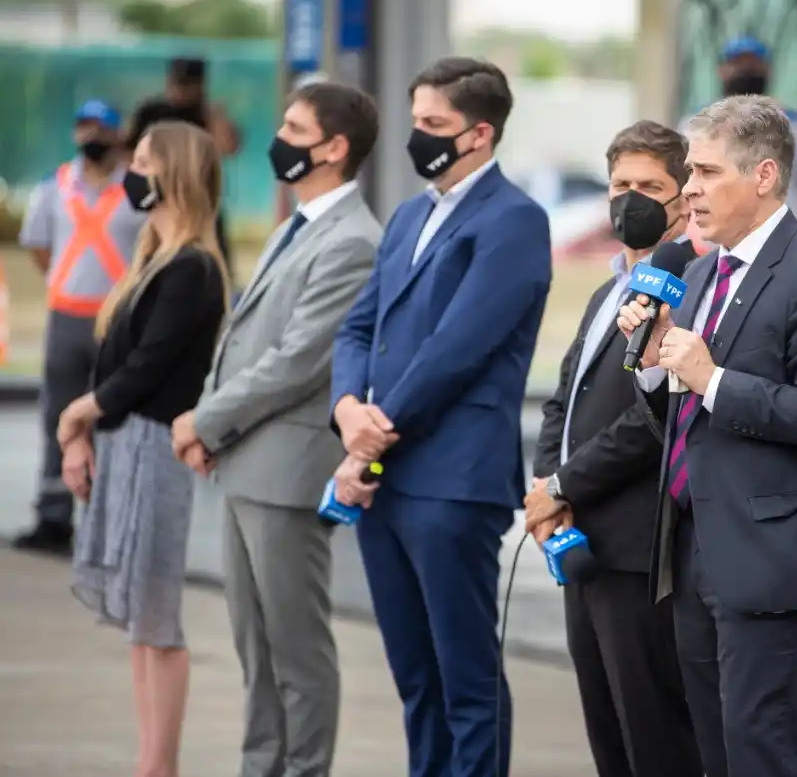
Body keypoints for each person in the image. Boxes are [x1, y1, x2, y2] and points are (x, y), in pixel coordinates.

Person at [616, 95, 797, 777]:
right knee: (713, 753)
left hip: (767, 557)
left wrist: (712, 378)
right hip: (693, 549)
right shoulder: (699, 272)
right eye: (689, 173)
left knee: (760, 753)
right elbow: (682, 419)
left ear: (762, 176)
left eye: (704, 172)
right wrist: (651, 367)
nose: (689, 189)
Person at [328, 57, 551, 777]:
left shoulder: (515, 221)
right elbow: (359, 327)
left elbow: (457, 348)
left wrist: (369, 436)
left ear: (480, 134)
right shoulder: (409, 215)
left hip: (454, 479)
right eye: (416, 121)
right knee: (415, 679)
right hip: (388, 478)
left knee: (466, 680)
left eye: (434, 125)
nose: (417, 138)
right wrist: (346, 410)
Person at [170, 83, 382, 777]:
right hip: (246, 462)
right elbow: (242, 340)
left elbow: (297, 361)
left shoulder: (352, 240)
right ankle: (262, 766)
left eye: (294, 127)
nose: (279, 136)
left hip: (288, 473)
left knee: (295, 650)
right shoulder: (298, 224)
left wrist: (203, 419)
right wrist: (214, 429)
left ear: (334, 147)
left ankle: (302, 769)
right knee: (253, 648)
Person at [525, 120, 702, 777]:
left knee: (653, 737)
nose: (631, 198)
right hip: (578, 542)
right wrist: (549, 492)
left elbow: (645, 420)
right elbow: (562, 400)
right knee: (607, 736)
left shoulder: (686, 286)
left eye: (650, 186)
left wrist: (562, 485)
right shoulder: (608, 288)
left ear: (683, 199)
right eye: (621, 184)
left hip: (635, 551)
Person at [58, 120, 230, 777]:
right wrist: (87, 432)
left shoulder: (193, 268)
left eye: (143, 160)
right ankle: (149, 760)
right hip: (126, 445)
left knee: (158, 618)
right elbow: (115, 362)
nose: (132, 171)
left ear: (175, 173)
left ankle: (160, 766)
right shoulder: (154, 258)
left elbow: (146, 369)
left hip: (156, 448)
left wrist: (76, 417)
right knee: (138, 620)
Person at [13, 100, 146, 555]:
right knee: (58, 415)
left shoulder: (134, 188)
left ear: (116, 136)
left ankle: (106, 521)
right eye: (83, 127)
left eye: (100, 129)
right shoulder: (55, 187)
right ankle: (53, 517)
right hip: (66, 315)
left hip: (116, 321)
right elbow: (38, 247)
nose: (91, 137)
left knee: (109, 416)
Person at [681, 36, 797, 246]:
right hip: (711, 250)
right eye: (737, 63)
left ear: (767, 70)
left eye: (752, 64)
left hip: (780, 249)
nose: (745, 70)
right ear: (722, 70)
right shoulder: (694, 124)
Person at [127, 56, 241, 275]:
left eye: (186, 85)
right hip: (157, 199)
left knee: (208, 264)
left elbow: (229, 148)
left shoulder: (206, 115)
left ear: (199, 87)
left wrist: (216, 116)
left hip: (199, 202)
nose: (179, 91)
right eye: (176, 83)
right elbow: (127, 151)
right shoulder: (153, 112)